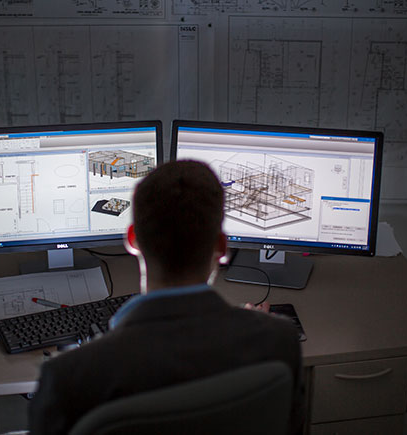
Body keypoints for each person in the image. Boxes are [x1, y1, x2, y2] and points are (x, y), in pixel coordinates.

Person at [29, 160, 303, 434]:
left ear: (132, 239)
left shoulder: (67, 378)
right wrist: (255, 327)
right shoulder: (278, 340)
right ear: (221, 246)